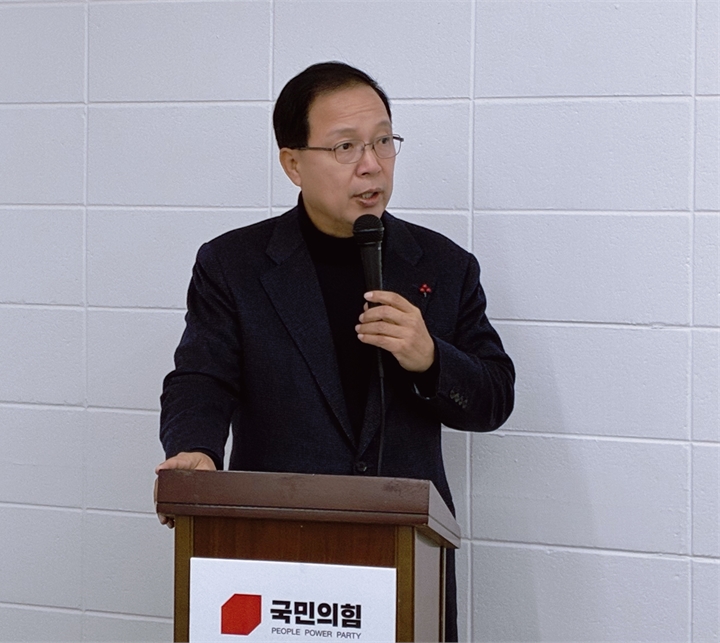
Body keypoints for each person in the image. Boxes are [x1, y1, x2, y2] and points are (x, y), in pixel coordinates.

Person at [157, 61, 515, 641]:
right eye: (345, 146)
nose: (371, 163)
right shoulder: (234, 264)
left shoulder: (445, 266)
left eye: (383, 141)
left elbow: (494, 397)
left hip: (407, 555)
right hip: (275, 549)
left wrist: (430, 357)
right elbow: (202, 376)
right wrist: (195, 449)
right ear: (293, 163)